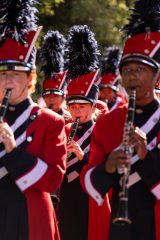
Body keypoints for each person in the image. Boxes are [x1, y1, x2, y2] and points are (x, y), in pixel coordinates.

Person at [80, 0, 160, 240]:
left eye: (140, 70)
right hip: (117, 223)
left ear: (157, 76)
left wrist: (146, 156)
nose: (132, 75)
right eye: (127, 70)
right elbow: (88, 181)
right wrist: (107, 167)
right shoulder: (107, 122)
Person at [0, 1, 67, 240]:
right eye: (3, 75)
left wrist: (12, 150)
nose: (8, 81)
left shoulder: (51, 121)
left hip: (28, 216)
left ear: (30, 79)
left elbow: (52, 180)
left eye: (15, 75)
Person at [57, 25, 111, 240]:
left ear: (93, 107)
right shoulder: (64, 130)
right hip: (66, 196)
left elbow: (107, 168)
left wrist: (82, 156)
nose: (77, 111)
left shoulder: (102, 130)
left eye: (82, 106)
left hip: (91, 197)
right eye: (73, 107)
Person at [40, 30, 71, 123]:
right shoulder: (38, 117)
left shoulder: (70, 120)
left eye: (55, 96)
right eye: (48, 96)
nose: (51, 99)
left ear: (63, 97)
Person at [99, 45, 127, 111]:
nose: (106, 95)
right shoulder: (95, 105)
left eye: (109, 92)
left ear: (115, 93)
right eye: (103, 91)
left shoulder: (122, 105)